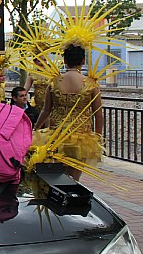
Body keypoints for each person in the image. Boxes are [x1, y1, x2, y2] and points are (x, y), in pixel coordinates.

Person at [34, 44, 104, 180]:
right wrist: (98, 138)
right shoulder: (91, 85)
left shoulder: (54, 82)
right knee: (74, 177)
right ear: (83, 60)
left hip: (56, 134)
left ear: (64, 61)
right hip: (81, 136)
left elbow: (45, 110)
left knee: (58, 176)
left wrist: (36, 129)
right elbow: (98, 116)